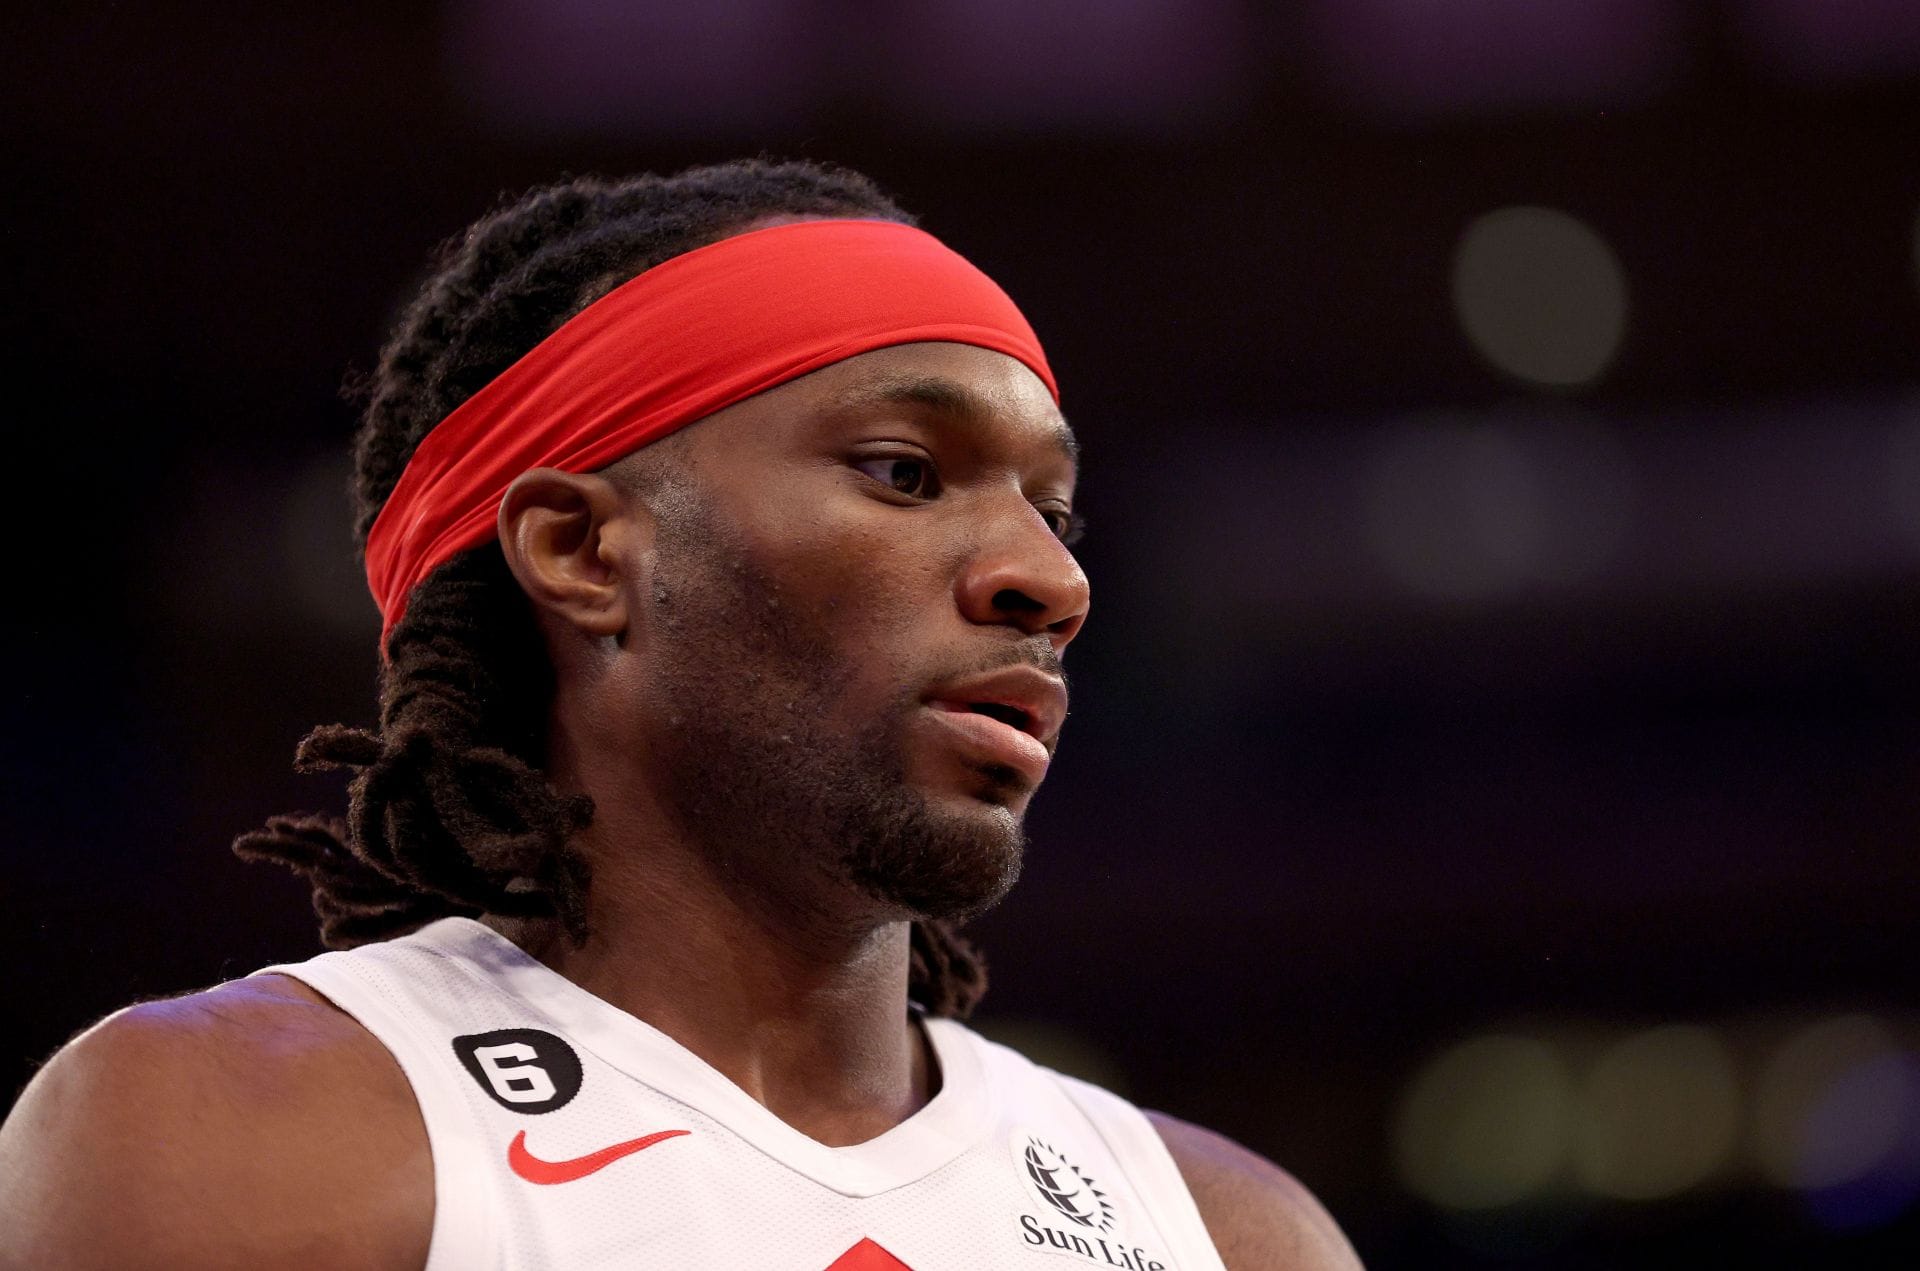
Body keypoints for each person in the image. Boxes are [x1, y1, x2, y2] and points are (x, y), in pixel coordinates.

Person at [0, 159, 1361, 1271]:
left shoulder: (1232, 1237)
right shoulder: (242, 1135)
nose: (1051, 581)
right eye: (904, 472)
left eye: (1053, 511)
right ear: (584, 553)